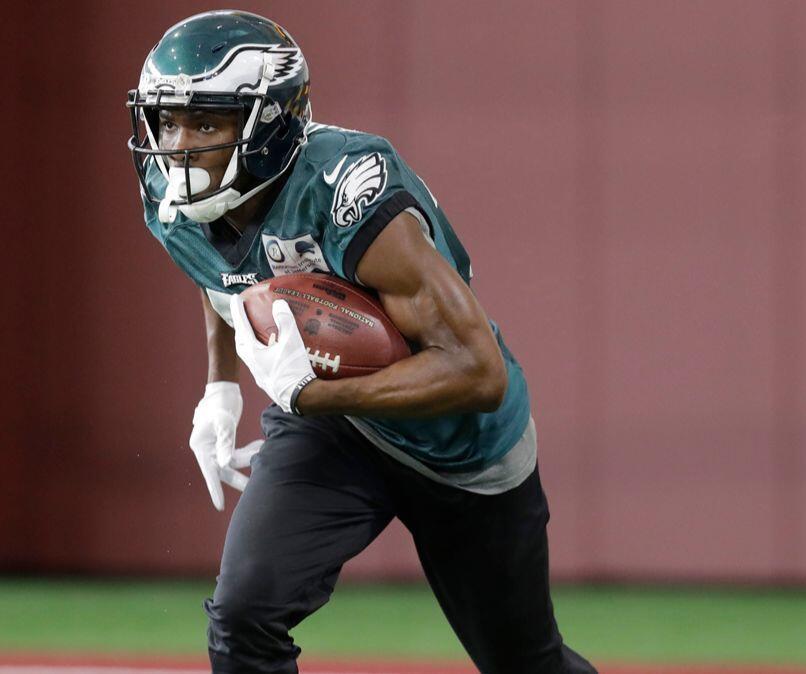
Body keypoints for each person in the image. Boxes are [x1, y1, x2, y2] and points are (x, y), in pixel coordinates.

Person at [127, 10, 597, 674]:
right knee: (242, 616)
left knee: (525, 664)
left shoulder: (347, 190)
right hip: (340, 429)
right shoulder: (171, 192)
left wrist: (315, 395)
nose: (178, 147)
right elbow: (222, 274)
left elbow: (478, 372)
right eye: (168, 121)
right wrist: (220, 386)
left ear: (270, 123)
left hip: (460, 445)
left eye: (207, 123)